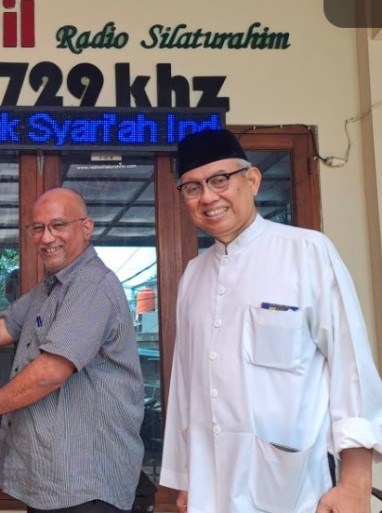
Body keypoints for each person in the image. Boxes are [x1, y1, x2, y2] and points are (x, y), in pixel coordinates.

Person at [160, 128, 382, 513]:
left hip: (293, 489)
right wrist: (186, 478)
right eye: (193, 188)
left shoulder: (307, 252)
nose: (208, 197)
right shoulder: (193, 275)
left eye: (219, 180)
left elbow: (353, 369)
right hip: (210, 490)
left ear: (252, 180)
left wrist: (355, 484)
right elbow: (186, 385)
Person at [0, 187, 145, 513]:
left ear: (85, 228)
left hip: (86, 483)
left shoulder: (90, 285)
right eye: (38, 228)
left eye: (58, 225)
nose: (47, 238)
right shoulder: (49, 288)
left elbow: (50, 372)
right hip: (53, 479)